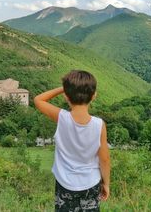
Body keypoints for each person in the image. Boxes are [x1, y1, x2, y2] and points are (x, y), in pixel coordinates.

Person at [34, 70, 110, 211]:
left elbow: (38, 100)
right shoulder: (99, 125)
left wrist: (65, 88)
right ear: (94, 96)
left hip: (65, 183)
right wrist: (106, 184)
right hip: (91, 182)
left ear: (66, 96)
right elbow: (104, 159)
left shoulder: (61, 117)